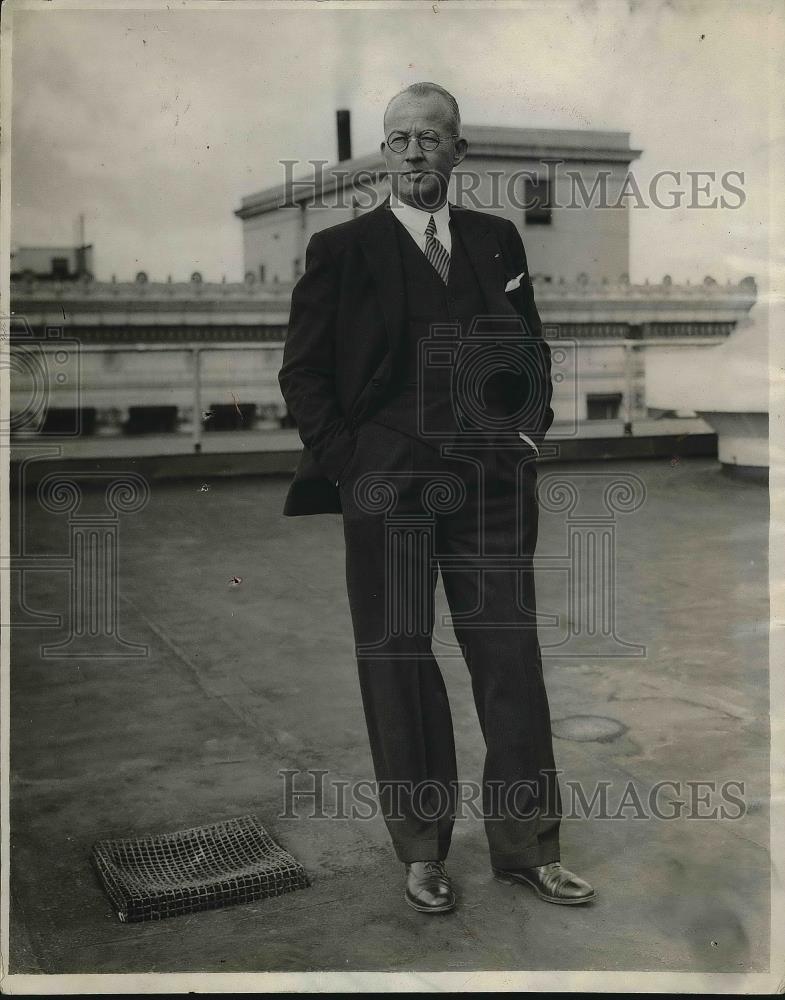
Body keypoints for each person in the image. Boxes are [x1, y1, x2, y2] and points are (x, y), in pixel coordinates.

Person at [279, 82, 594, 913]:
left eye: (430, 137)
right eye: (398, 140)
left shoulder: (494, 241)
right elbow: (303, 373)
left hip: (490, 488)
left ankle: (528, 848)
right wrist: (352, 466)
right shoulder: (342, 249)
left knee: (509, 664)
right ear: (384, 155)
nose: (414, 152)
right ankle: (422, 853)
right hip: (388, 489)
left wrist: (525, 438)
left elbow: (529, 351)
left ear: (459, 151)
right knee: (398, 664)